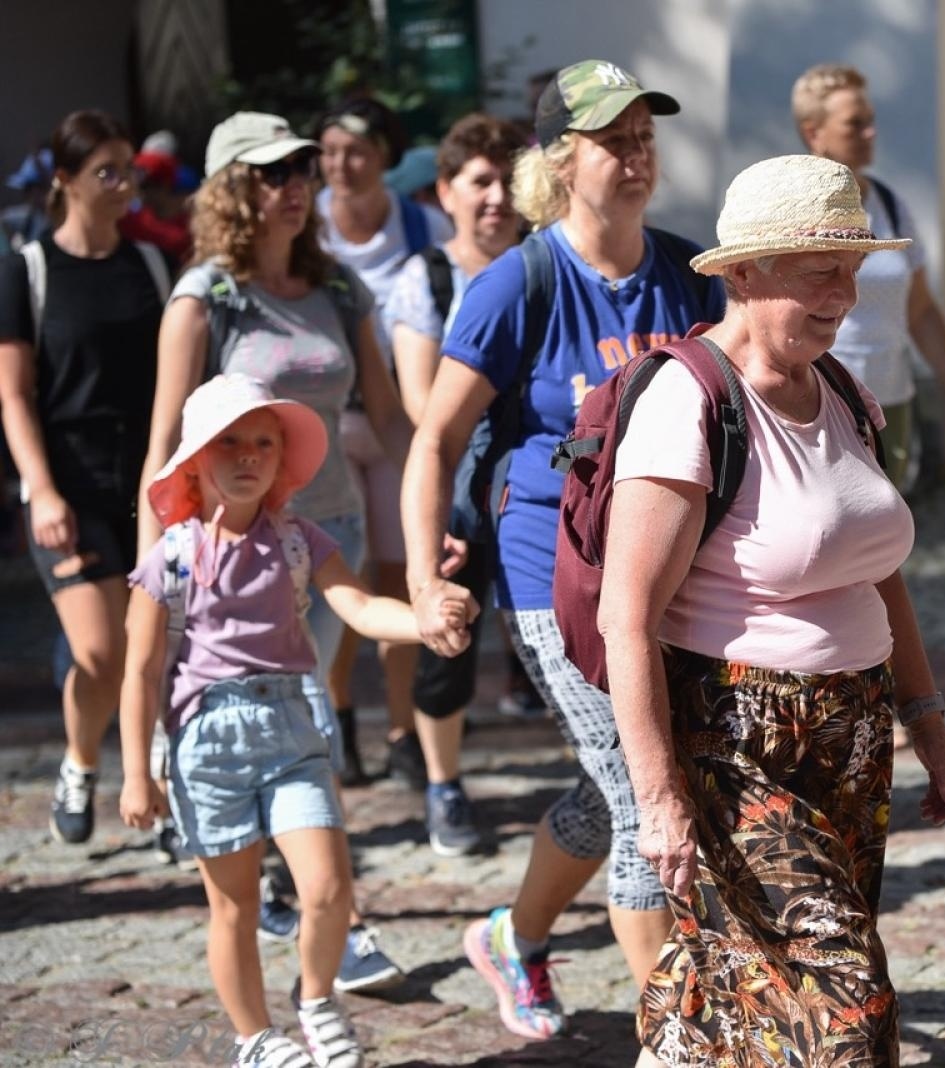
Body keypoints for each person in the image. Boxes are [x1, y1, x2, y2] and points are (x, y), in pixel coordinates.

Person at [597, 153, 945, 1068]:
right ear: (744, 271)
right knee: (844, 995)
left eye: (852, 269)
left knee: (740, 969)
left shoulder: (844, 392)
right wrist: (657, 799)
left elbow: (878, 571)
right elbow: (627, 617)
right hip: (735, 733)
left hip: (849, 726)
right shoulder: (689, 400)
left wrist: (924, 717)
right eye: (821, 271)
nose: (845, 293)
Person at [399, 59, 724, 1041]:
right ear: (557, 160)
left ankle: (514, 937)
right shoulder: (517, 284)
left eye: (643, 138)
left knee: (611, 777)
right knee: (639, 792)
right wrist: (421, 578)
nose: (635, 157)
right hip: (554, 572)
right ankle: (676, 1037)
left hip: (669, 567)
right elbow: (435, 440)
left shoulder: (687, 270)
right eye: (611, 141)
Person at [119, 373, 475, 1068]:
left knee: (329, 888)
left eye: (264, 443)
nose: (248, 456)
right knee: (235, 908)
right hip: (205, 743)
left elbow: (362, 609)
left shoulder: (298, 541)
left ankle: (316, 998)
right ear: (196, 458)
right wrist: (137, 772)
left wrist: (426, 621)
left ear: (281, 459)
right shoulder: (173, 557)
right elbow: (139, 671)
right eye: (230, 443)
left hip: (293, 730)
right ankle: (255, 1037)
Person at [139, 110, 412, 994]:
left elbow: (394, 418)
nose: (292, 183)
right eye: (269, 172)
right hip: (224, 563)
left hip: (322, 544)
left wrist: (436, 513)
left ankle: (316, 908)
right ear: (229, 189)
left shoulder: (337, 291)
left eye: (299, 167)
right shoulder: (204, 299)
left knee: (307, 733)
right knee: (282, 736)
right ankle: (317, 915)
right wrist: (164, 585)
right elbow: (164, 450)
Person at [0, 110, 167, 845]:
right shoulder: (26, 269)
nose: (125, 182)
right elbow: (11, 391)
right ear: (63, 181)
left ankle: (158, 789)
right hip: (70, 483)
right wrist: (40, 488)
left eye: (128, 167)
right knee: (100, 652)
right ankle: (78, 760)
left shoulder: (151, 265)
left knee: (153, 645)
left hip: (149, 483)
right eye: (107, 170)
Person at [386, 112, 525, 857]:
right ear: (446, 193)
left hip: (536, 482)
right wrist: (436, 498)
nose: (497, 196)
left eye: (508, 180)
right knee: (451, 637)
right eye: (480, 182)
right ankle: (444, 785)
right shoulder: (428, 277)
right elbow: (419, 407)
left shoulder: (544, 264)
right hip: (462, 483)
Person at [317, 97, 453, 789]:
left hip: (399, 416)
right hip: (323, 419)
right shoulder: (306, 219)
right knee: (336, 574)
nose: (340, 165)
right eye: (330, 150)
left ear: (385, 157)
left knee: (400, 573)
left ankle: (402, 728)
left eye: (356, 151)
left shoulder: (422, 223)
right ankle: (338, 714)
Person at [790, 63, 945, 491]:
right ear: (813, 133)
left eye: (871, 122)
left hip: (892, 402)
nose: (871, 133)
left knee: (891, 537)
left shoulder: (890, 204)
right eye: (855, 124)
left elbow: (922, 311)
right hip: (822, 404)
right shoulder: (797, 211)